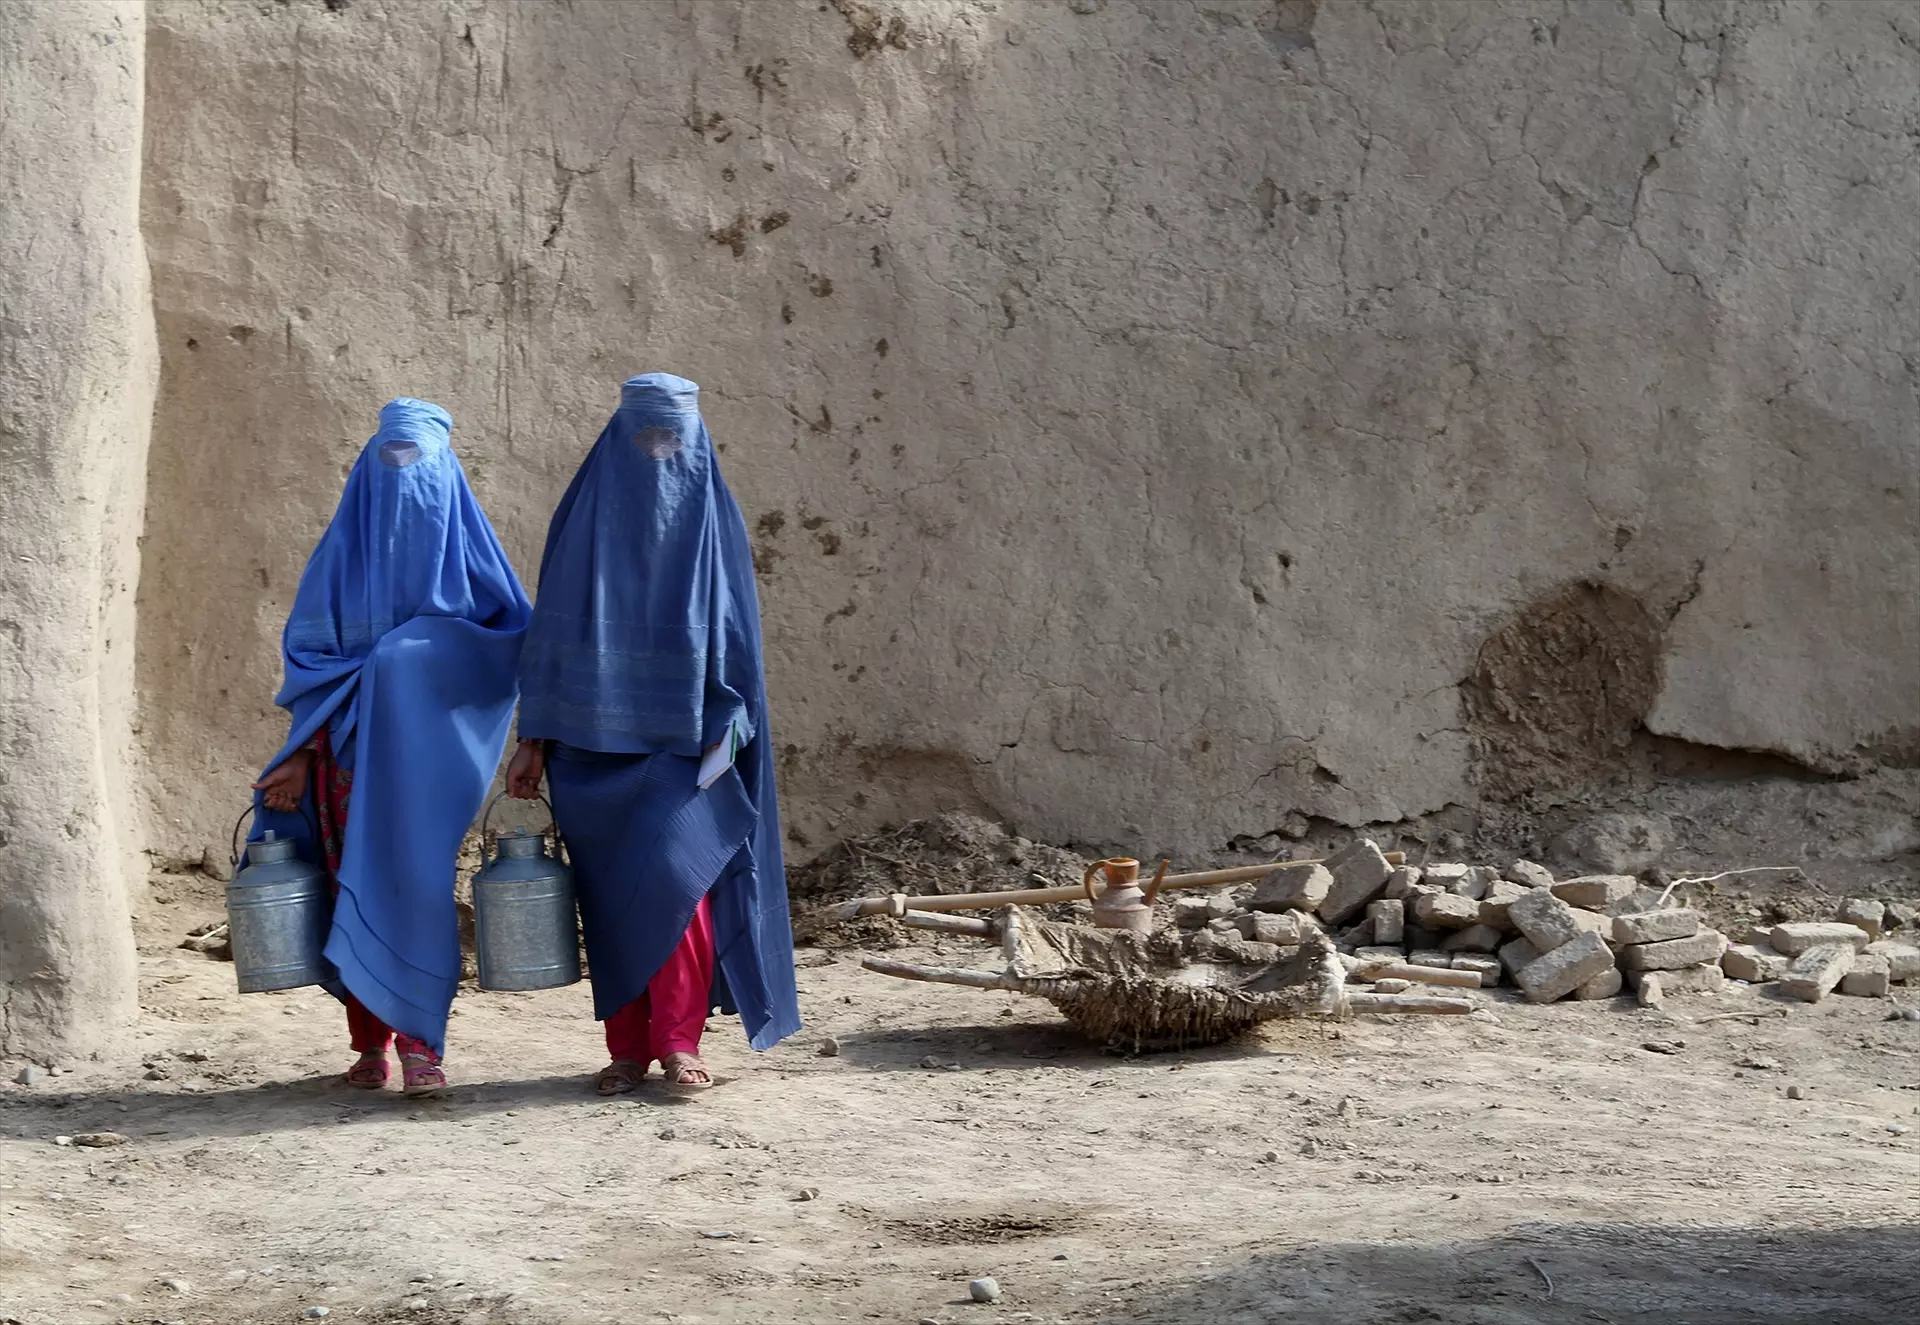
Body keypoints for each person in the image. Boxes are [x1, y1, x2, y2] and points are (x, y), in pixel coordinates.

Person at [506, 372, 800, 1094]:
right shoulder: (582, 522)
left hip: (685, 745)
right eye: (646, 436)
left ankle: (677, 1037)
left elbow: (736, 641)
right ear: (617, 438)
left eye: (673, 438)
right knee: (611, 904)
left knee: (680, 883)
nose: (659, 453)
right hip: (587, 749)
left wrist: (730, 726)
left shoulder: (713, 523)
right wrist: (534, 737)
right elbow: (552, 636)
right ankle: (627, 1048)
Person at [250, 398, 531, 1096]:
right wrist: (304, 751)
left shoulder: (474, 566)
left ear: (447, 476)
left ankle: (423, 1044)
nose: (402, 475)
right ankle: (369, 1044)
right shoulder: (338, 563)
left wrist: (408, 654)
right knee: (353, 886)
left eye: (418, 462)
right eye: (389, 459)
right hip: (342, 763)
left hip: (428, 771)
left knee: (416, 890)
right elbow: (314, 664)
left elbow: (506, 649)